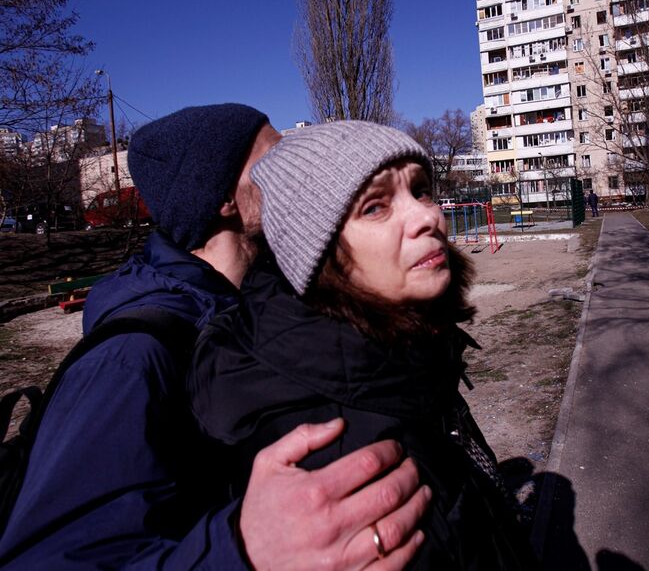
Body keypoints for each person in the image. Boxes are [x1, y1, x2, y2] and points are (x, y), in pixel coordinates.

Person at [0, 105, 428, 570]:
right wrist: (241, 552)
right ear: (225, 196)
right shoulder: (130, 357)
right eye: (276, 159)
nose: (298, 170)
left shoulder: (253, 308)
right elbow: (46, 558)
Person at [189, 121, 539, 569]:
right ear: (318, 255)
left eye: (421, 189)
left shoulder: (403, 360)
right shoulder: (341, 455)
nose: (427, 217)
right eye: (375, 207)